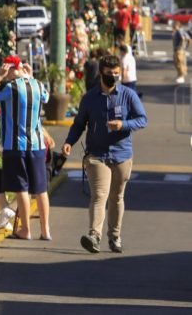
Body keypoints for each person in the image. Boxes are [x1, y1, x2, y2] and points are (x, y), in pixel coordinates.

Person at [63, 55, 148, 254]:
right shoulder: (90, 98)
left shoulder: (128, 95)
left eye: (117, 74)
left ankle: (115, 236)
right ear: (101, 73)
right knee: (99, 195)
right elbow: (79, 124)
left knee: (117, 197)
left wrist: (124, 124)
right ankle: (94, 236)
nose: (113, 77)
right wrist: (68, 142)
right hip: (96, 155)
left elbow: (142, 119)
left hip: (121, 154)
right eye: (110, 74)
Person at [0, 57, 52, 240]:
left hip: (15, 145)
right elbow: (46, 97)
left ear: (10, 69)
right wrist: (31, 76)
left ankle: (26, 230)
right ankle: (45, 230)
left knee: (22, 188)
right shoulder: (37, 85)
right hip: (37, 145)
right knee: (41, 189)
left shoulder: (10, 88)